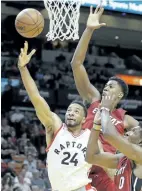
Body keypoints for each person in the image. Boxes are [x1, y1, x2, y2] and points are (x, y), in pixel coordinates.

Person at [70, 4, 139, 191]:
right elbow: (76, 64)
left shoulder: (127, 120)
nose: (105, 87)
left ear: (120, 94)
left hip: (106, 172)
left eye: (111, 86)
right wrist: (88, 29)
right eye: (105, 85)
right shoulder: (94, 99)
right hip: (80, 166)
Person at [18, 41, 97, 191]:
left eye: (76, 111)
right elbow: (36, 98)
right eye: (69, 110)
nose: (71, 113)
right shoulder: (55, 127)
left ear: (84, 119)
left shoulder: (91, 136)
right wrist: (23, 69)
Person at [85, 95, 142, 191]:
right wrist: (96, 126)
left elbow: (109, 135)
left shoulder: (140, 155)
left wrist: (105, 109)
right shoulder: (123, 159)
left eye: (133, 131)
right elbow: (91, 157)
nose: (127, 132)